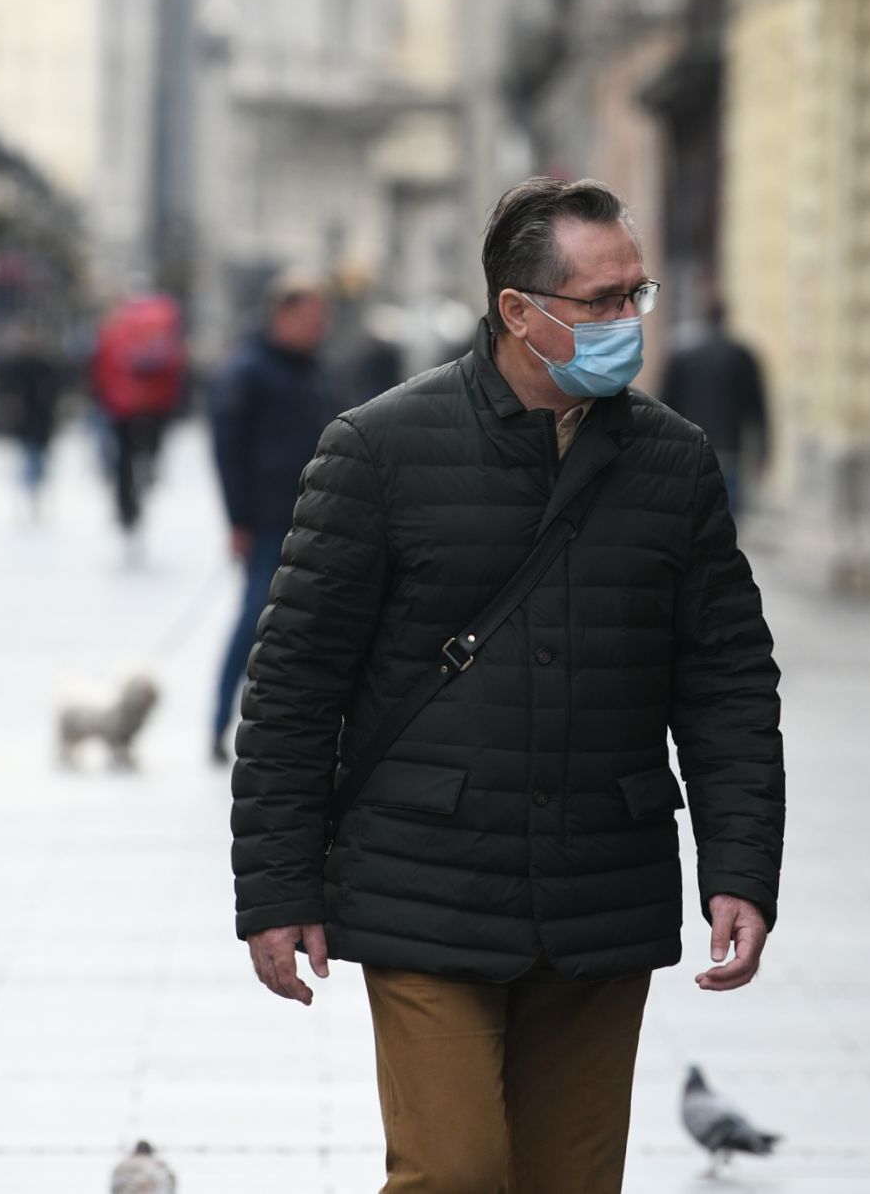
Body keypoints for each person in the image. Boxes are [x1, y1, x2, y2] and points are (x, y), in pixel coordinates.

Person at [230, 178, 785, 1194]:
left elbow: (726, 679)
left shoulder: (673, 462)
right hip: (425, 878)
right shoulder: (378, 449)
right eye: (601, 300)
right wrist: (276, 887)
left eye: (636, 293)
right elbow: (293, 684)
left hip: (599, 886)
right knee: (455, 1171)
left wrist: (740, 860)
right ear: (518, 313)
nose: (628, 320)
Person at [207, 276, 336, 765]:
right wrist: (237, 518)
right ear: (282, 315)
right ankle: (219, 722)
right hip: (266, 520)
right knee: (254, 620)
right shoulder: (248, 370)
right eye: (310, 318)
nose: (319, 328)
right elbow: (227, 452)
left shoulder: (312, 369)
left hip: (313, 517)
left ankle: (286, 729)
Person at [89, 293, 187, 537]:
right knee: (151, 449)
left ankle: (126, 507)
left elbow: (100, 368)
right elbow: (176, 370)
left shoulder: (114, 332)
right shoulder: (163, 331)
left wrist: (104, 397)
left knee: (122, 456)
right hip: (157, 404)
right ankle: (147, 475)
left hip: (120, 405)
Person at [660, 298, 770, 514]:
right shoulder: (741, 355)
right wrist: (764, 452)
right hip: (729, 448)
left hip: (689, 449)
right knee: (727, 514)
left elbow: (664, 405)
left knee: (692, 512)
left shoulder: (682, 356)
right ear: (725, 317)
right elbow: (757, 408)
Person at [0, 322, 65, 518]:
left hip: (40, 420)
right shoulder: (14, 365)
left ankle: (34, 488)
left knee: (36, 457)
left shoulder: (44, 365)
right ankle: (31, 489)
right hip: (27, 420)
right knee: (30, 455)